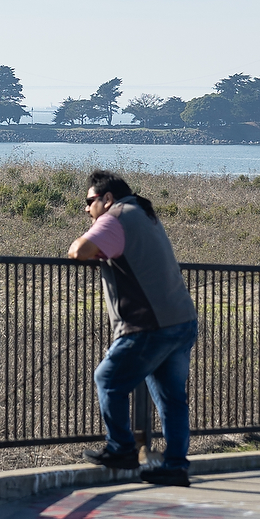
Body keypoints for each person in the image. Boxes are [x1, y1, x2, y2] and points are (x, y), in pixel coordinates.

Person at [66, 170, 200, 486]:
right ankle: (175, 466)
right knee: (171, 398)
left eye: (89, 201)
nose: (87, 209)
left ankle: (122, 448)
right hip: (181, 320)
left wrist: (87, 243)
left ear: (107, 198)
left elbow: (78, 251)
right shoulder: (143, 214)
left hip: (149, 325)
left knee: (107, 378)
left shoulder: (116, 217)